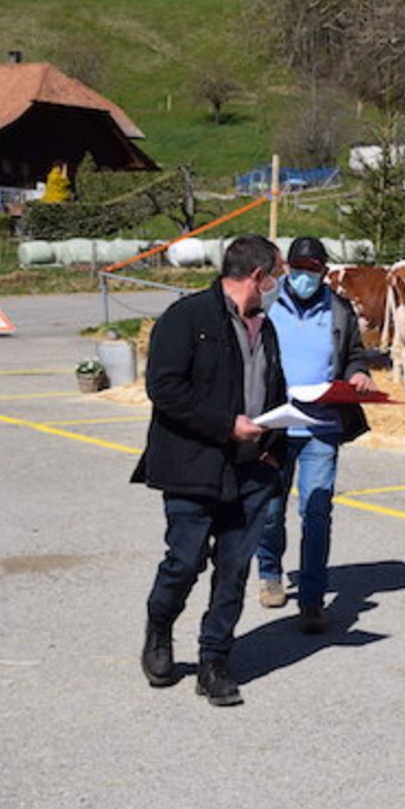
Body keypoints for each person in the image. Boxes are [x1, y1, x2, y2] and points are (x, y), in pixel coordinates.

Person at [134, 234, 286, 707]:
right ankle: (159, 629)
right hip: (194, 466)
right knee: (185, 561)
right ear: (257, 277)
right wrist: (226, 426)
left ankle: (214, 661)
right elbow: (165, 389)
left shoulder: (266, 326)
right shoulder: (187, 318)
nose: (280, 284)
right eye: (277, 275)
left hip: (253, 470)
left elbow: (271, 389)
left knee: (234, 570)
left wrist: (275, 444)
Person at [253, 236, 375, 633]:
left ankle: (312, 598)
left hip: (321, 428)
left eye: (314, 269)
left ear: (324, 271)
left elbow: (355, 353)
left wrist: (358, 372)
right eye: (299, 267)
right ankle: (270, 572)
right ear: (286, 268)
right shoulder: (265, 305)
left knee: (317, 512)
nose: (306, 276)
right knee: (270, 512)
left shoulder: (339, 309)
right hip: (274, 425)